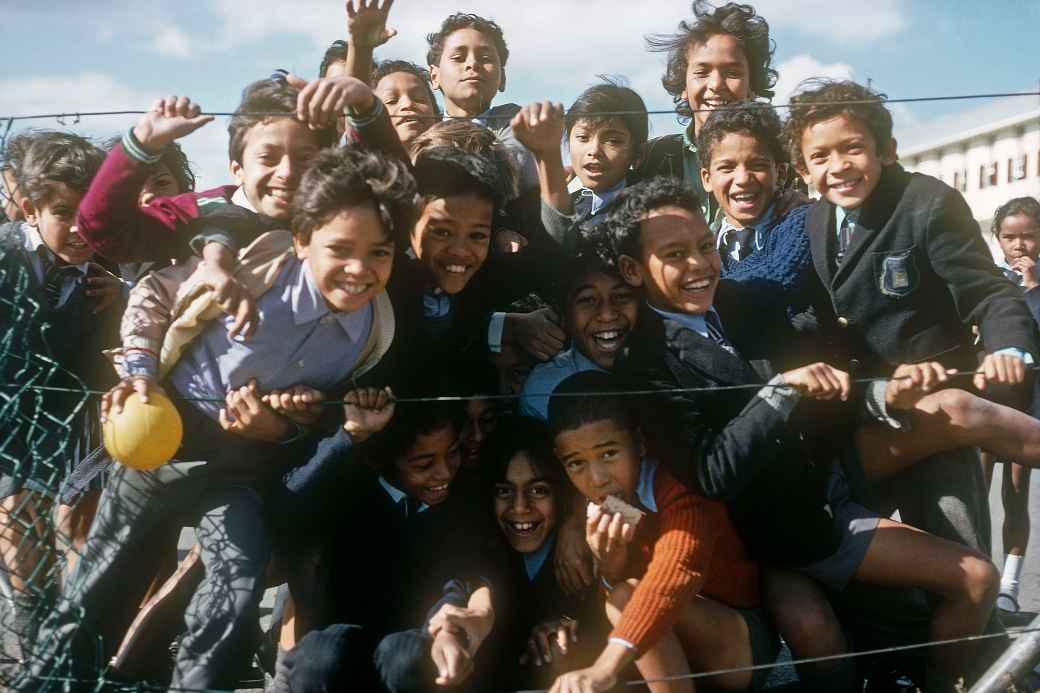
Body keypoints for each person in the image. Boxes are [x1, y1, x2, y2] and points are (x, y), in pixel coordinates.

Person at [29, 145, 414, 692]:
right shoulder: (257, 269)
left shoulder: (373, 330)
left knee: (237, 583)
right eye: (340, 249)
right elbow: (151, 297)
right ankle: (47, 683)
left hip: (238, 470)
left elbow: (316, 419)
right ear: (302, 241)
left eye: (380, 253)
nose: (360, 270)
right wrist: (139, 371)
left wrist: (289, 422)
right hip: (162, 446)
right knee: (97, 586)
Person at [593, 177, 1002, 687]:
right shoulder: (645, 362)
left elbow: (818, 377)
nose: (699, 265)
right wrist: (782, 392)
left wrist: (879, 396)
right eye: (675, 254)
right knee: (969, 580)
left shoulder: (739, 302)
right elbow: (711, 472)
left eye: (704, 247)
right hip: (789, 528)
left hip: (827, 476)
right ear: (633, 269)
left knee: (958, 415)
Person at [786, 79, 1039, 555]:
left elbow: (987, 290)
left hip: (932, 416)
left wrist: (1008, 345)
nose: (838, 167)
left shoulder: (928, 202)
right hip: (858, 417)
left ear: (885, 149)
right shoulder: (812, 219)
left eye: (852, 149)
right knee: (862, 562)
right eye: (820, 157)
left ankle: (981, 628)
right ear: (803, 167)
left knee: (961, 561)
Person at [546, 371, 775, 693]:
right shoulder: (598, 504)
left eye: (609, 454)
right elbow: (616, 590)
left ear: (640, 443)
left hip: (739, 643)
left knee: (624, 598)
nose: (597, 479)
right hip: (666, 652)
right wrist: (609, 564)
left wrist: (604, 668)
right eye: (576, 463)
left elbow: (676, 572)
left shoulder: (678, 482)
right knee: (616, 597)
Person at [272, 387, 497, 692]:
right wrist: (350, 435)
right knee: (320, 658)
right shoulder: (347, 491)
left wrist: (445, 628)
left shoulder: (460, 503)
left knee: (407, 658)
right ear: (382, 463)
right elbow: (290, 506)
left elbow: (457, 573)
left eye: (453, 452)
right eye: (423, 464)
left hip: (410, 641)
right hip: (338, 636)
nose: (444, 472)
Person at [0, 132, 120, 679]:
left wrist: (122, 294)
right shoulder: (5, 257)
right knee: (18, 516)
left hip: (73, 416)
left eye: (89, 215)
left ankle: (74, 643)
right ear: (29, 208)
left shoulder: (109, 273)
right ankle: (27, 647)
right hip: (8, 414)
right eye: (62, 213)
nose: (78, 230)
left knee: (77, 523)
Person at [474, 415, 609, 690]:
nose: (520, 506)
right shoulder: (477, 544)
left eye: (538, 490)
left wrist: (576, 517)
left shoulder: (586, 534)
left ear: (561, 491)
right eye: (504, 491)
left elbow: (635, 513)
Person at [642, 1, 777, 222]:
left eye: (732, 72)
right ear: (683, 87)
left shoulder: (779, 158)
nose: (716, 84)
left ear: (752, 86)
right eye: (702, 72)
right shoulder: (650, 157)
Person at [511, 81, 648, 251]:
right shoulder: (558, 199)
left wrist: (548, 157)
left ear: (639, 153)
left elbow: (569, 247)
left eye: (613, 140)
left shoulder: (649, 209)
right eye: (583, 138)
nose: (594, 150)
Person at [986, 196, 1040, 614]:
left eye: (1029, 236)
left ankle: (1009, 583)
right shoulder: (986, 279)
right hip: (988, 399)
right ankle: (976, 580)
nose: (1020, 245)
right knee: (973, 489)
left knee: (1016, 495)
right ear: (997, 239)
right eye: (1010, 237)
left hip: (1029, 403)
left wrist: (1033, 287)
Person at [519, 249, 638, 420]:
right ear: (564, 316)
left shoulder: (671, 361)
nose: (607, 314)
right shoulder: (545, 390)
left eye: (621, 296)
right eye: (588, 300)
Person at [426, 12, 538, 191]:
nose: (472, 64)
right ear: (434, 76)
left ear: (502, 78)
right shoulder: (422, 133)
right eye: (458, 58)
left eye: (486, 59)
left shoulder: (521, 128)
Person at [334, 0, 441, 147]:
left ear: (437, 114)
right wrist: (361, 48)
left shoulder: (455, 163)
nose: (408, 104)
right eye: (391, 101)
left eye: (420, 99)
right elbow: (357, 106)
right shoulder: (368, 165)